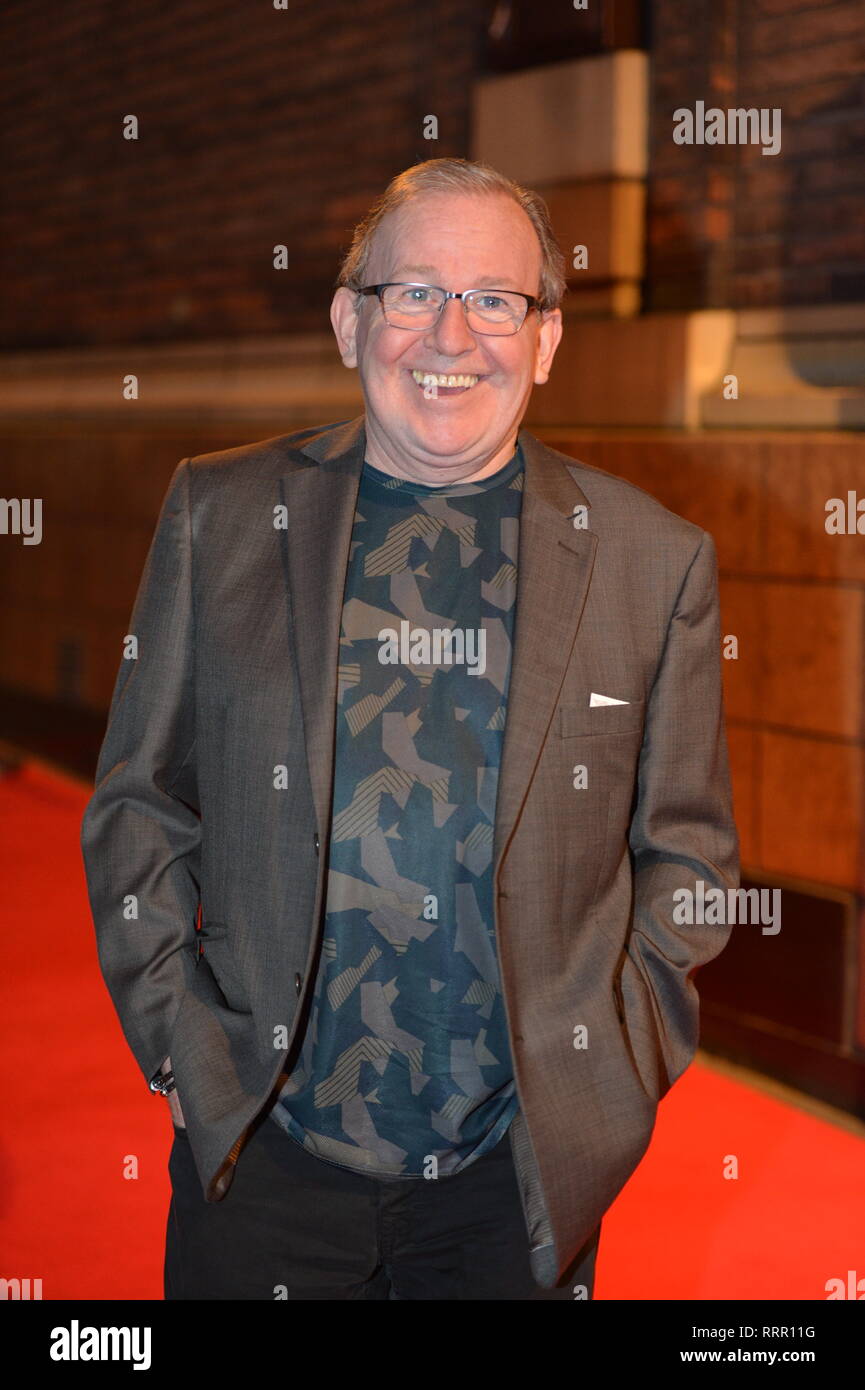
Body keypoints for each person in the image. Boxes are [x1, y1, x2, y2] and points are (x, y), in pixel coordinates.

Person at [80, 157, 740, 1301]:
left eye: (495, 298)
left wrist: (610, 1081)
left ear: (543, 339)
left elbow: (688, 861)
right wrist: (186, 1056)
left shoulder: (653, 562)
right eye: (414, 292)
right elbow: (138, 804)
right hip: (262, 1155)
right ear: (349, 320)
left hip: (512, 1181)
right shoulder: (220, 515)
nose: (453, 334)